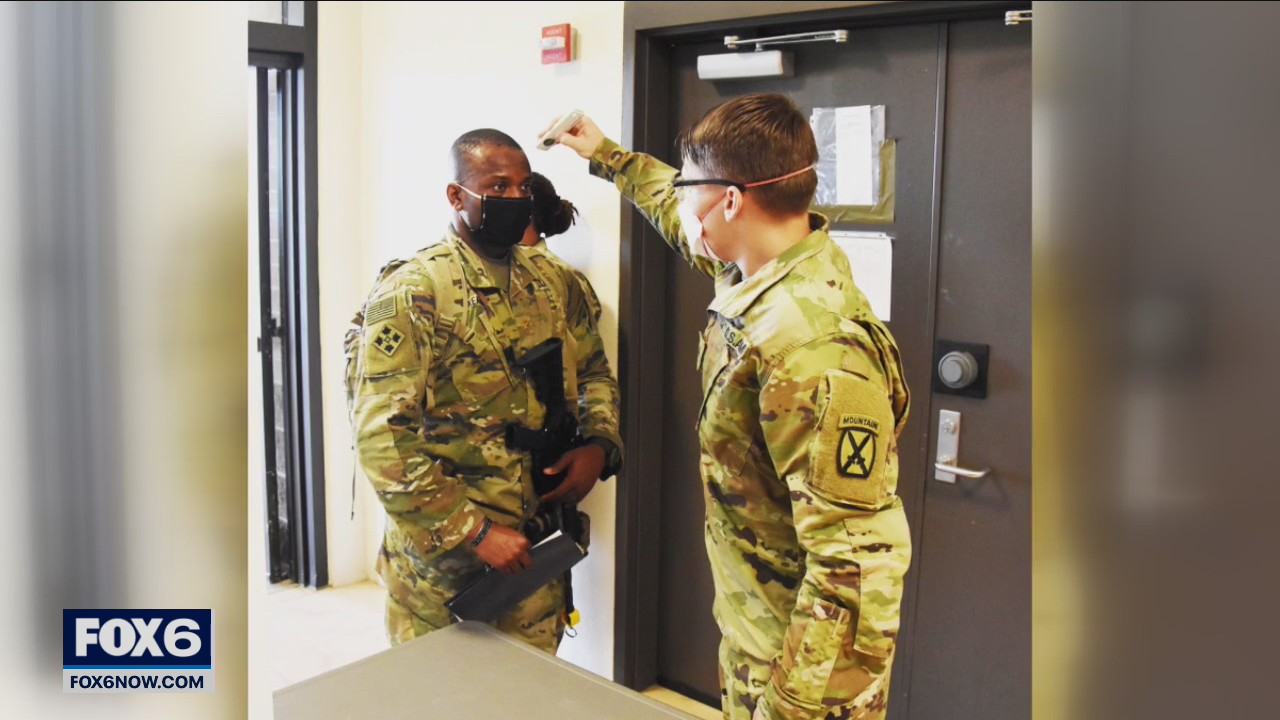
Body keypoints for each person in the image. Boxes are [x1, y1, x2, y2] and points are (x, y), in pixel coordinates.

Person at [549, 95, 911, 720]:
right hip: (758, 629)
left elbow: (856, 562)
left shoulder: (810, 349)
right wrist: (607, 156)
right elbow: (682, 213)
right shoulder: (763, 267)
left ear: (734, 201)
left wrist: (792, 705)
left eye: (696, 190)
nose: (689, 206)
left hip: (802, 670)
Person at [347, 128, 623, 653]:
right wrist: (472, 531)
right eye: (498, 187)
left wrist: (599, 444)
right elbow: (383, 440)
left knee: (526, 698)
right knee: (440, 702)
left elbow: (593, 371)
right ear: (457, 195)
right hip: (445, 568)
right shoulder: (416, 292)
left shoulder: (551, 280)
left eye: (523, 187)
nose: (515, 199)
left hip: (536, 549)